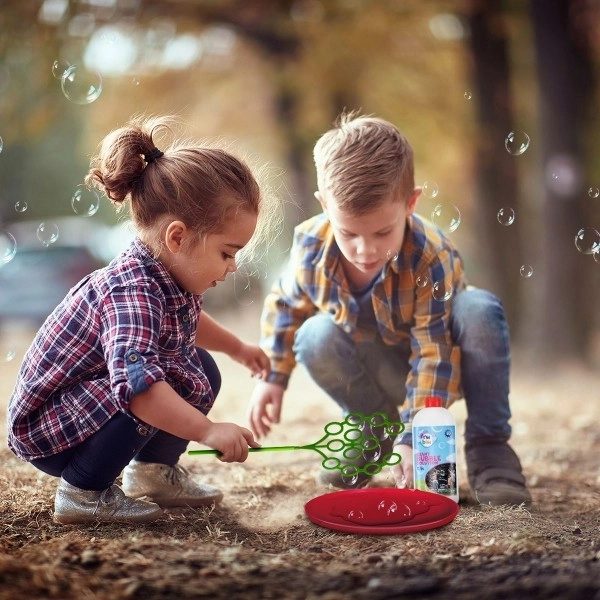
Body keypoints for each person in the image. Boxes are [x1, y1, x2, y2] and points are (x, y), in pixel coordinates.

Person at [247, 111, 531, 506]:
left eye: (383, 232)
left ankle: (489, 448)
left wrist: (416, 436)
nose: (365, 250)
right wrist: (272, 377)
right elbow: (285, 305)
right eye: (349, 233)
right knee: (314, 335)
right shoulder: (310, 246)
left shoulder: (431, 255)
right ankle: (372, 428)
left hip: (442, 368)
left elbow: (434, 352)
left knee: (478, 309)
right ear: (324, 205)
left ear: (410, 203)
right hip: (372, 368)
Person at [8, 114, 279, 524]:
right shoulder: (131, 290)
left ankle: (152, 475)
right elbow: (139, 391)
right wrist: (207, 430)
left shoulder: (166, 275)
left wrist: (237, 348)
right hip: (51, 431)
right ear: (177, 236)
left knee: (200, 366)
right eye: (227, 252)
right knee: (152, 383)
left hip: (88, 408)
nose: (233, 266)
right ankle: (83, 491)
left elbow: (190, 324)